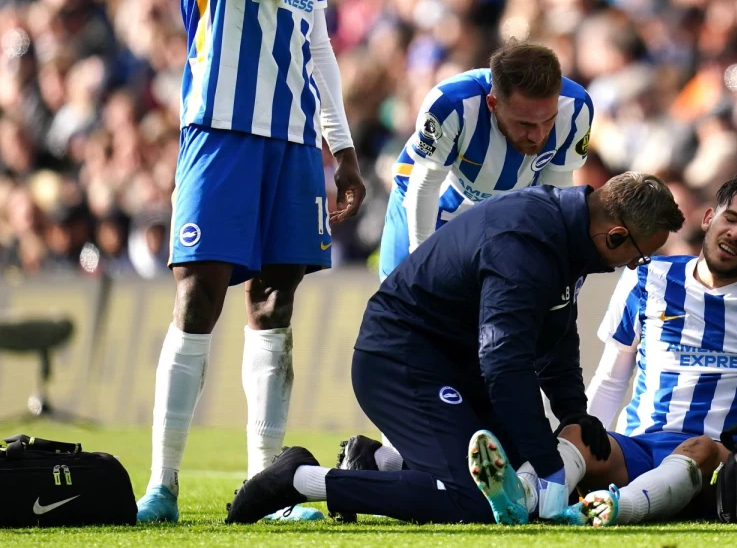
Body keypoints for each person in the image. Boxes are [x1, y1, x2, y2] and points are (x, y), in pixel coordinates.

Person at [137, 0, 366, 524]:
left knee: (275, 303)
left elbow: (318, 38)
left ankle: (263, 488)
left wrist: (343, 143)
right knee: (200, 294)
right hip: (222, 128)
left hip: (294, 138)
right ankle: (162, 484)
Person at [223, 173, 684, 525]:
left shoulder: (569, 234)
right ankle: (301, 480)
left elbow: (557, 334)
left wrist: (572, 413)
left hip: (455, 365)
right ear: (617, 236)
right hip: (403, 360)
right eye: (639, 256)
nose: (634, 265)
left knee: (515, 481)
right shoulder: (526, 243)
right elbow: (504, 362)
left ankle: (381, 462)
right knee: (474, 501)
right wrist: (548, 462)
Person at [553, 172, 737, 527]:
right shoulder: (645, 277)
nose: (736, 234)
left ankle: (618, 507)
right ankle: (535, 498)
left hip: (724, 465)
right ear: (709, 218)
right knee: (576, 433)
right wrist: (594, 437)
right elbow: (612, 379)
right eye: (732, 218)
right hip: (640, 451)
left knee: (700, 447)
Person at [378, 40, 593, 279]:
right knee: (402, 300)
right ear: (493, 104)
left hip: (500, 214)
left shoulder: (577, 108)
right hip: (430, 203)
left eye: (548, 120)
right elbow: (426, 184)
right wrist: (423, 262)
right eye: (525, 123)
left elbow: (553, 193)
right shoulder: (451, 103)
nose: (538, 135)